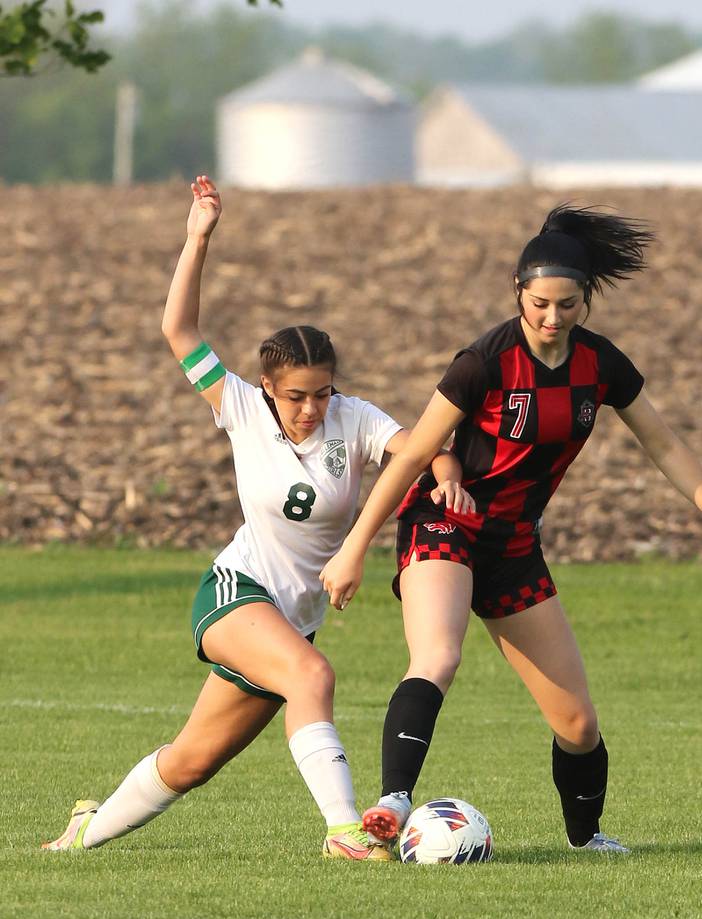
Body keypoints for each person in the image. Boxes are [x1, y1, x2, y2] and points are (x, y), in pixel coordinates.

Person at [43, 175, 473, 860]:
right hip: (236, 595)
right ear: (268, 387)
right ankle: (344, 834)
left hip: (290, 619)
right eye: (297, 395)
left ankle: (79, 836)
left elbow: (419, 450)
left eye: (323, 392)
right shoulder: (240, 406)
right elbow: (177, 330)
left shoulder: (354, 419)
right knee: (313, 677)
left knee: (191, 763)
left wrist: (447, 473)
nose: (312, 409)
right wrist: (198, 237)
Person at [321, 204, 702, 854]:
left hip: (513, 545)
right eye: (538, 304)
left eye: (566, 305)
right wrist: (354, 549)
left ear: (586, 300)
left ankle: (586, 839)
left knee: (579, 723)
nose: (551, 318)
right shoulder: (485, 361)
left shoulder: (600, 365)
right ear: (518, 294)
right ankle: (393, 802)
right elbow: (416, 453)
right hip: (445, 523)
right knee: (439, 656)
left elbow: (665, 446)